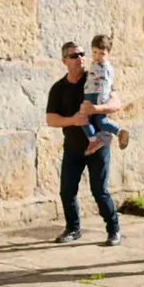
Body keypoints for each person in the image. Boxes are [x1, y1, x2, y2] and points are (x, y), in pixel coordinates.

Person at [46, 41, 124, 246]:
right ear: (64, 61)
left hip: (98, 145)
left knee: (100, 191)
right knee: (67, 191)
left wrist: (94, 111)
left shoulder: (95, 77)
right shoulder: (58, 88)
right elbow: (51, 120)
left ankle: (113, 229)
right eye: (74, 56)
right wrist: (73, 120)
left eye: (82, 54)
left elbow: (116, 103)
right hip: (72, 148)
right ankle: (73, 229)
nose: (80, 58)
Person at [81, 34, 130, 155]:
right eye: (95, 52)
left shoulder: (104, 67)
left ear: (108, 54)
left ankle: (93, 140)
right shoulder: (97, 64)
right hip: (93, 94)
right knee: (101, 122)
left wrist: (99, 102)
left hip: (95, 96)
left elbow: (105, 84)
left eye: (102, 54)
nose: (97, 56)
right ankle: (119, 132)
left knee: (83, 118)